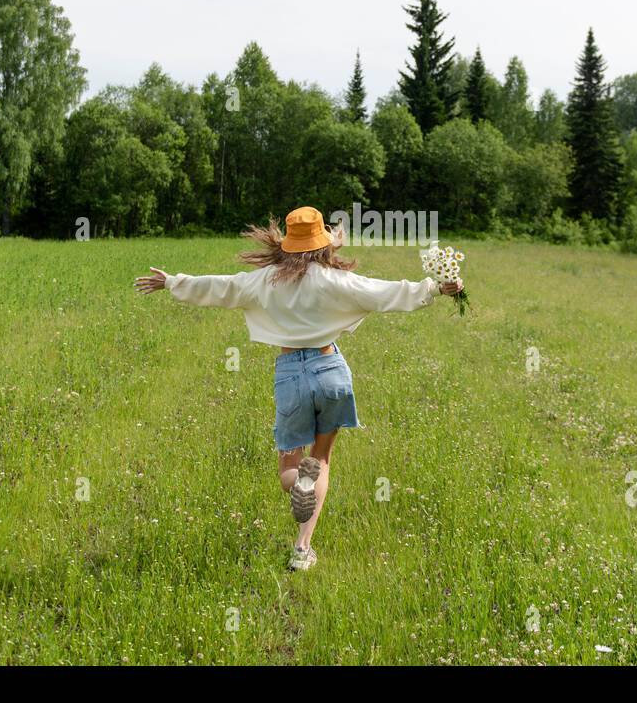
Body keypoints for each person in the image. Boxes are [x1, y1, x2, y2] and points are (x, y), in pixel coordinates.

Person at [134, 206, 463, 571]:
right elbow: (384, 292)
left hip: (291, 374)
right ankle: (302, 549)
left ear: (286, 243)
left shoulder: (265, 280)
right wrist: (435, 287)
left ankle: (298, 485)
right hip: (332, 370)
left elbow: (221, 287)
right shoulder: (334, 280)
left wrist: (172, 282)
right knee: (320, 461)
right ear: (322, 242)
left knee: (291, 471)